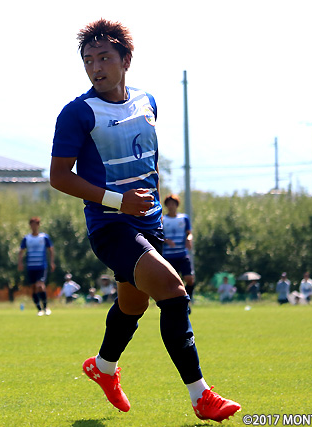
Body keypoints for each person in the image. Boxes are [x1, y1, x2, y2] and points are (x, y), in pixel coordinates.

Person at [49, 19, 240, 422]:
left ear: (126, 60)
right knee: (173, 291)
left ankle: (103, 368)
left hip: (148, 223)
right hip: (110, 227)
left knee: (132, 306)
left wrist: (147, 206)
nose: (96, 67)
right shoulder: (78, 113)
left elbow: (146, 160)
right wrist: (120, 202)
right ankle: (201, 396)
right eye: (88, 61)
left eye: (104, 57)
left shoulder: (147, 101)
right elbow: (59, 177)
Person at [162, 194, 196, 312]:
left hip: (182, 254)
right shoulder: (163, 219)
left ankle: (187, 301)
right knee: (173, 283)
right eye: (169, 204)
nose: (171, 206)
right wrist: (166, 240)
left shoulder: (184, 218)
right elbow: (158, 235)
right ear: (166, 206)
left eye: (173, 204)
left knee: (189, 279)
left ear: (177, 205)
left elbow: (189, 233)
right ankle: (176, 306)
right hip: (168, 256)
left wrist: (189, 239)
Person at [18, 217, 55, 316]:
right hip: (31, 266)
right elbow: (21, 251)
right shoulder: (27, 238)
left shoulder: (44, 237)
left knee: (40, 286)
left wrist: (52, 262)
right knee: (34, 288)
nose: (34, 226)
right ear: (30, 226)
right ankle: (39, 309)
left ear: (38, 225)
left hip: (41, 266)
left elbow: (51, 250)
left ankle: (46, 307)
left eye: (35, 224)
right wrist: (20, 263)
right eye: (32, 224)